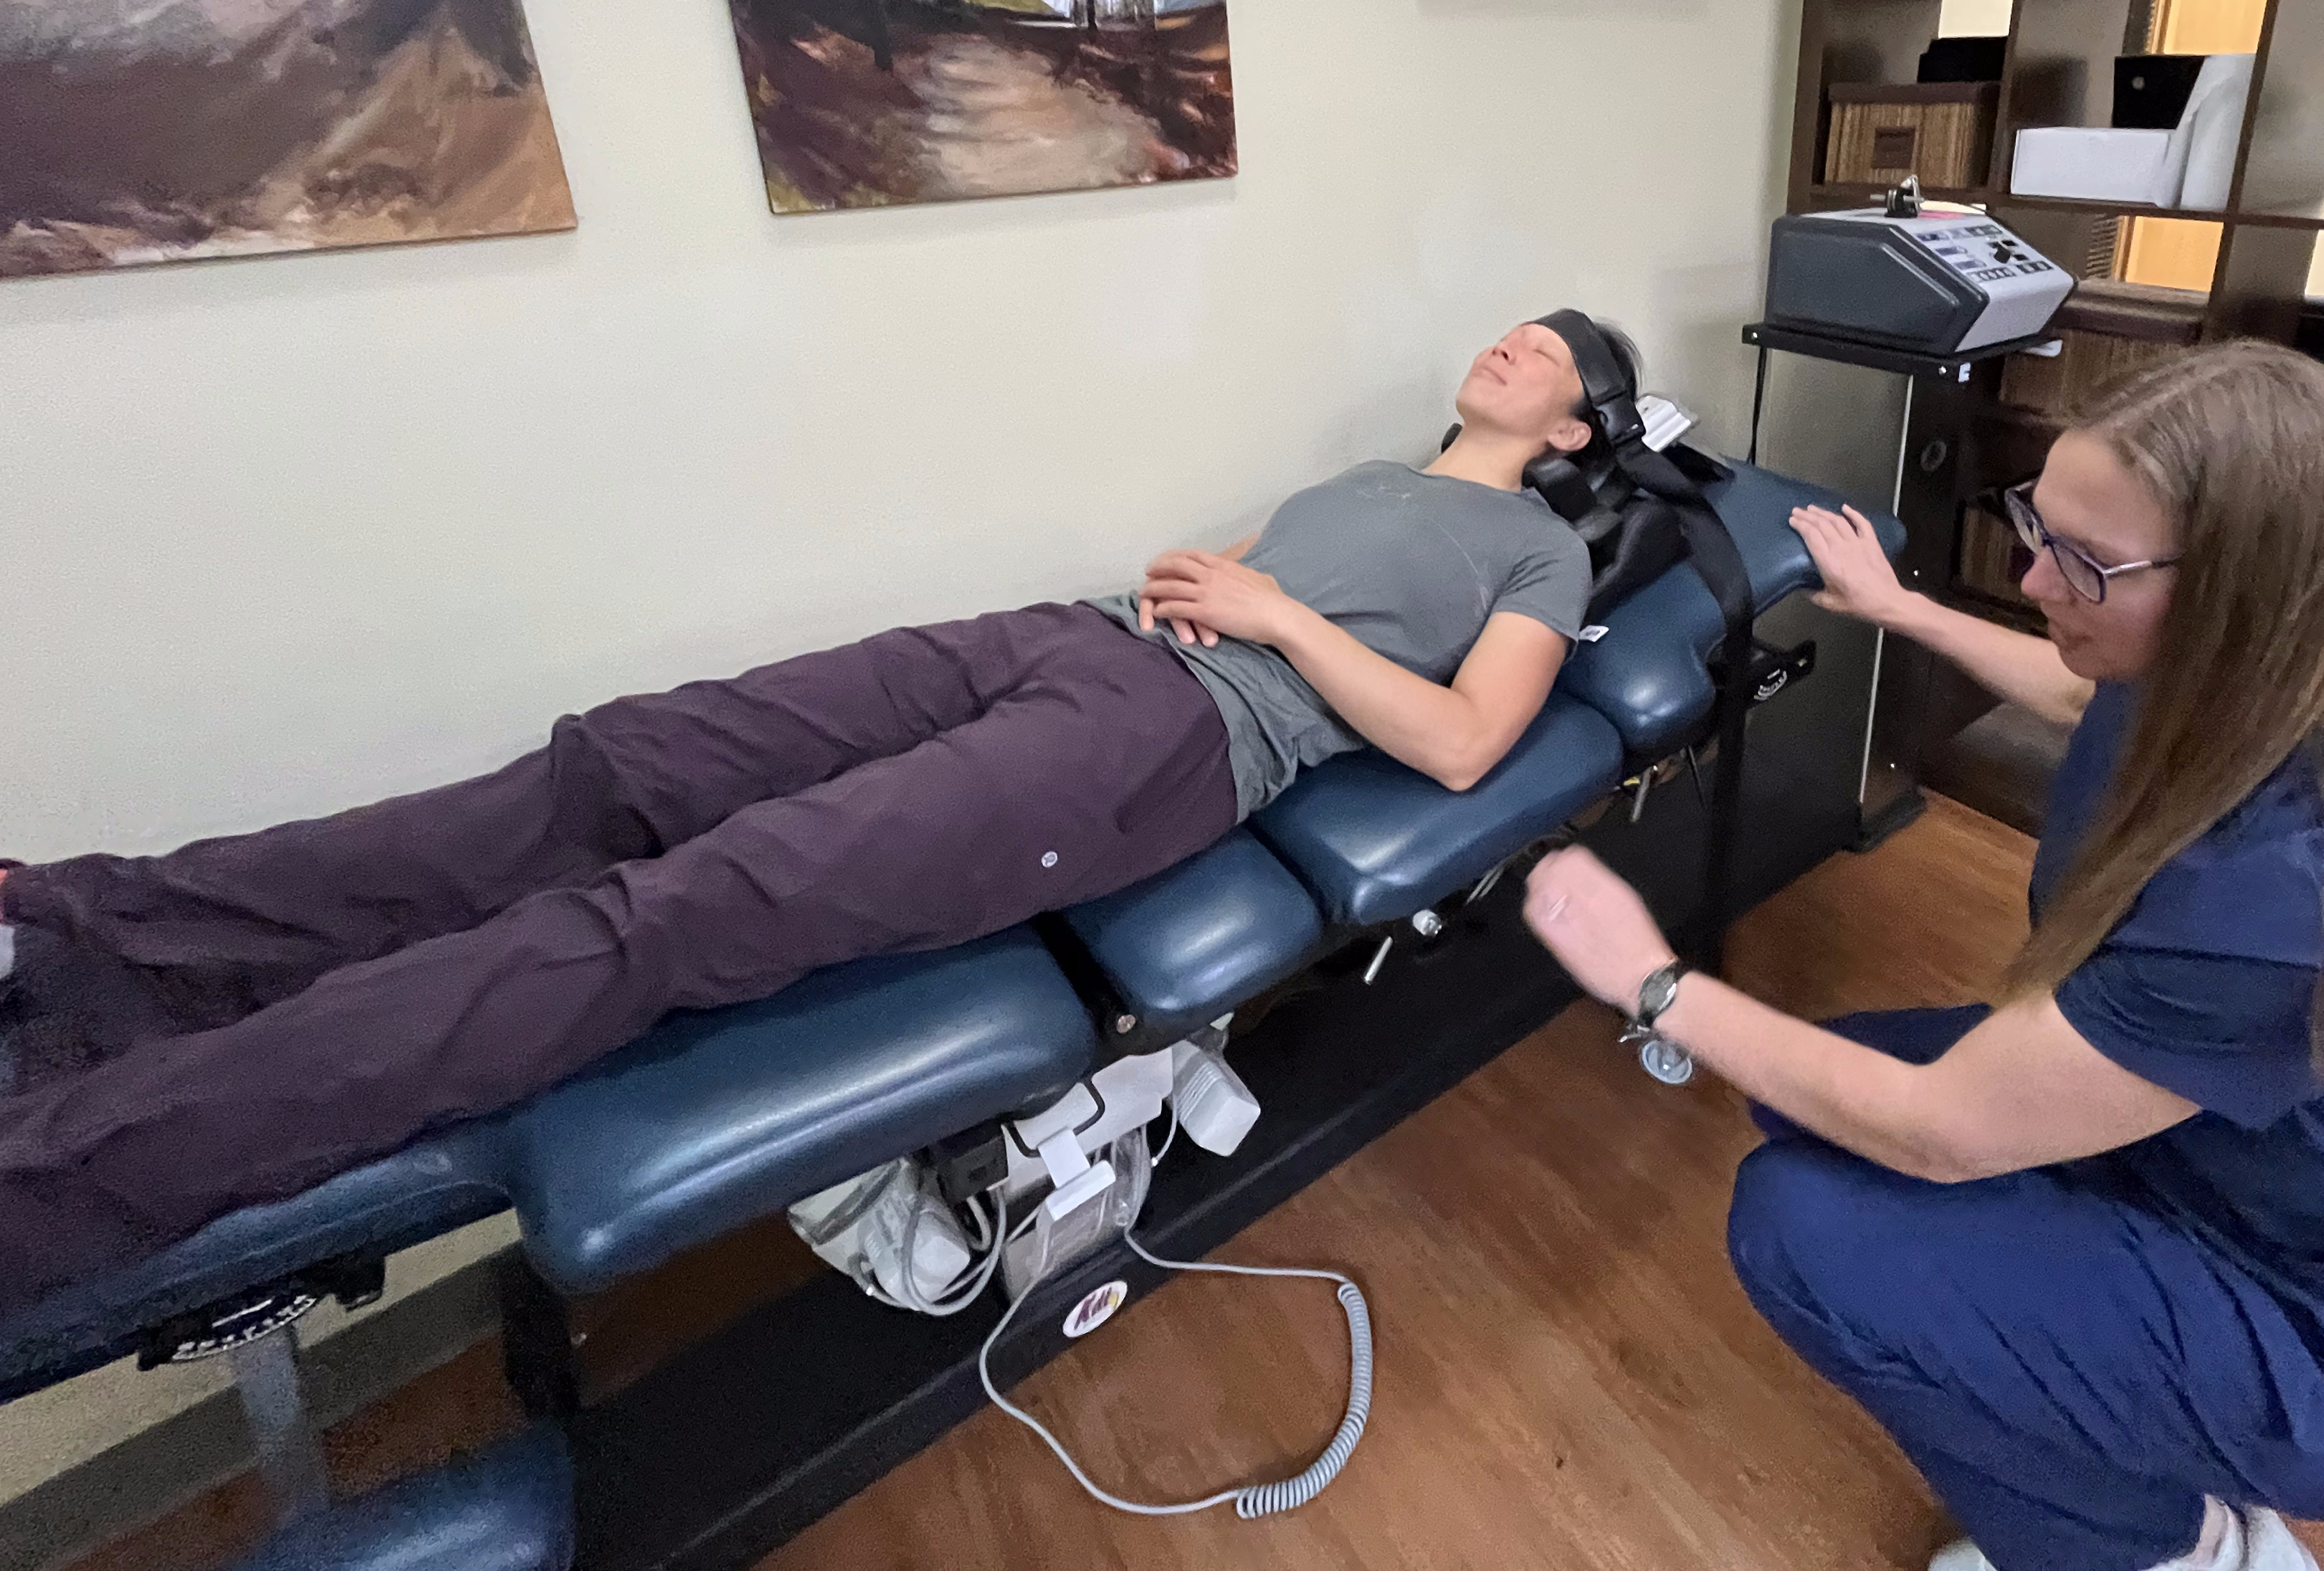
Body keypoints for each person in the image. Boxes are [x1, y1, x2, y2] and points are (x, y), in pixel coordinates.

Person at [0, 318, 1623, 1314]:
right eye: (1510, 326)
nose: (1511, 340)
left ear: (1568, 432)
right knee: (609, 772)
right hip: (1061, 639)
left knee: (673, 915)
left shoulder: (1540, 556)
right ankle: (82, 937)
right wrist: (1225, 585)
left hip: (1175, 749)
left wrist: (1276, 622)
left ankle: (64, 1182)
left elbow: (1470, 744)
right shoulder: (1363, 476)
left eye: (1547, 347)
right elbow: (1244, 585)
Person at [1524, 341, 2324, 1571]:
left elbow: (1947, 1130)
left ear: (2239, 593)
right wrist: (1900, 608)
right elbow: (2084, 696)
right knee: (1814, 1107)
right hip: (2227, 1147)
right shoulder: (2262, 661)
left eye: (2085, 562)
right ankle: (2115, 1416)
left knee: (1800, 1225)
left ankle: (2170, 1546)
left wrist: (1655, 984)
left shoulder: (2297, 886)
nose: (2033, 575)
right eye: (2037, 520)